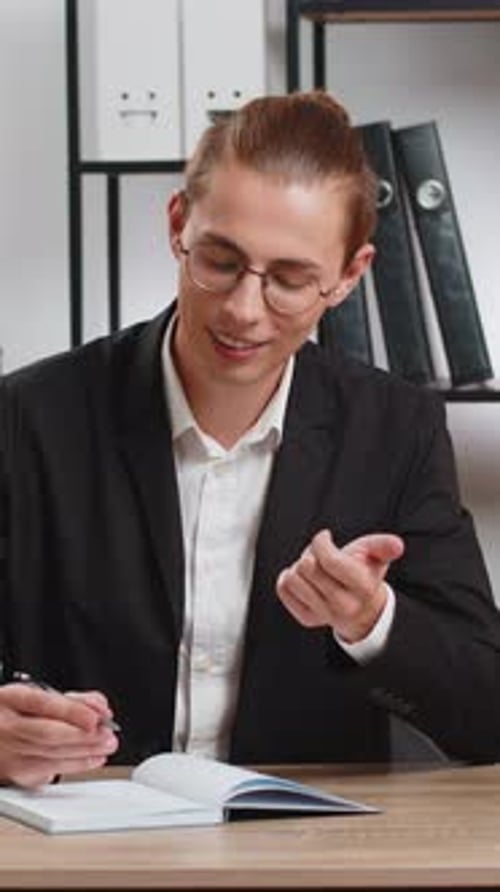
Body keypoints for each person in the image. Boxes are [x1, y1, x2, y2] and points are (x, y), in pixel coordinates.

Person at [1, 91, 500, 789]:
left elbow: (487, 711)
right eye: (220, 261)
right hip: (88, 849)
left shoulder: (395, 428)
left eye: (291, 280)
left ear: (351, 276)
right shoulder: (28, 416)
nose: (243, 311)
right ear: (178, 223)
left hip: (304, 855)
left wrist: (370, 619)